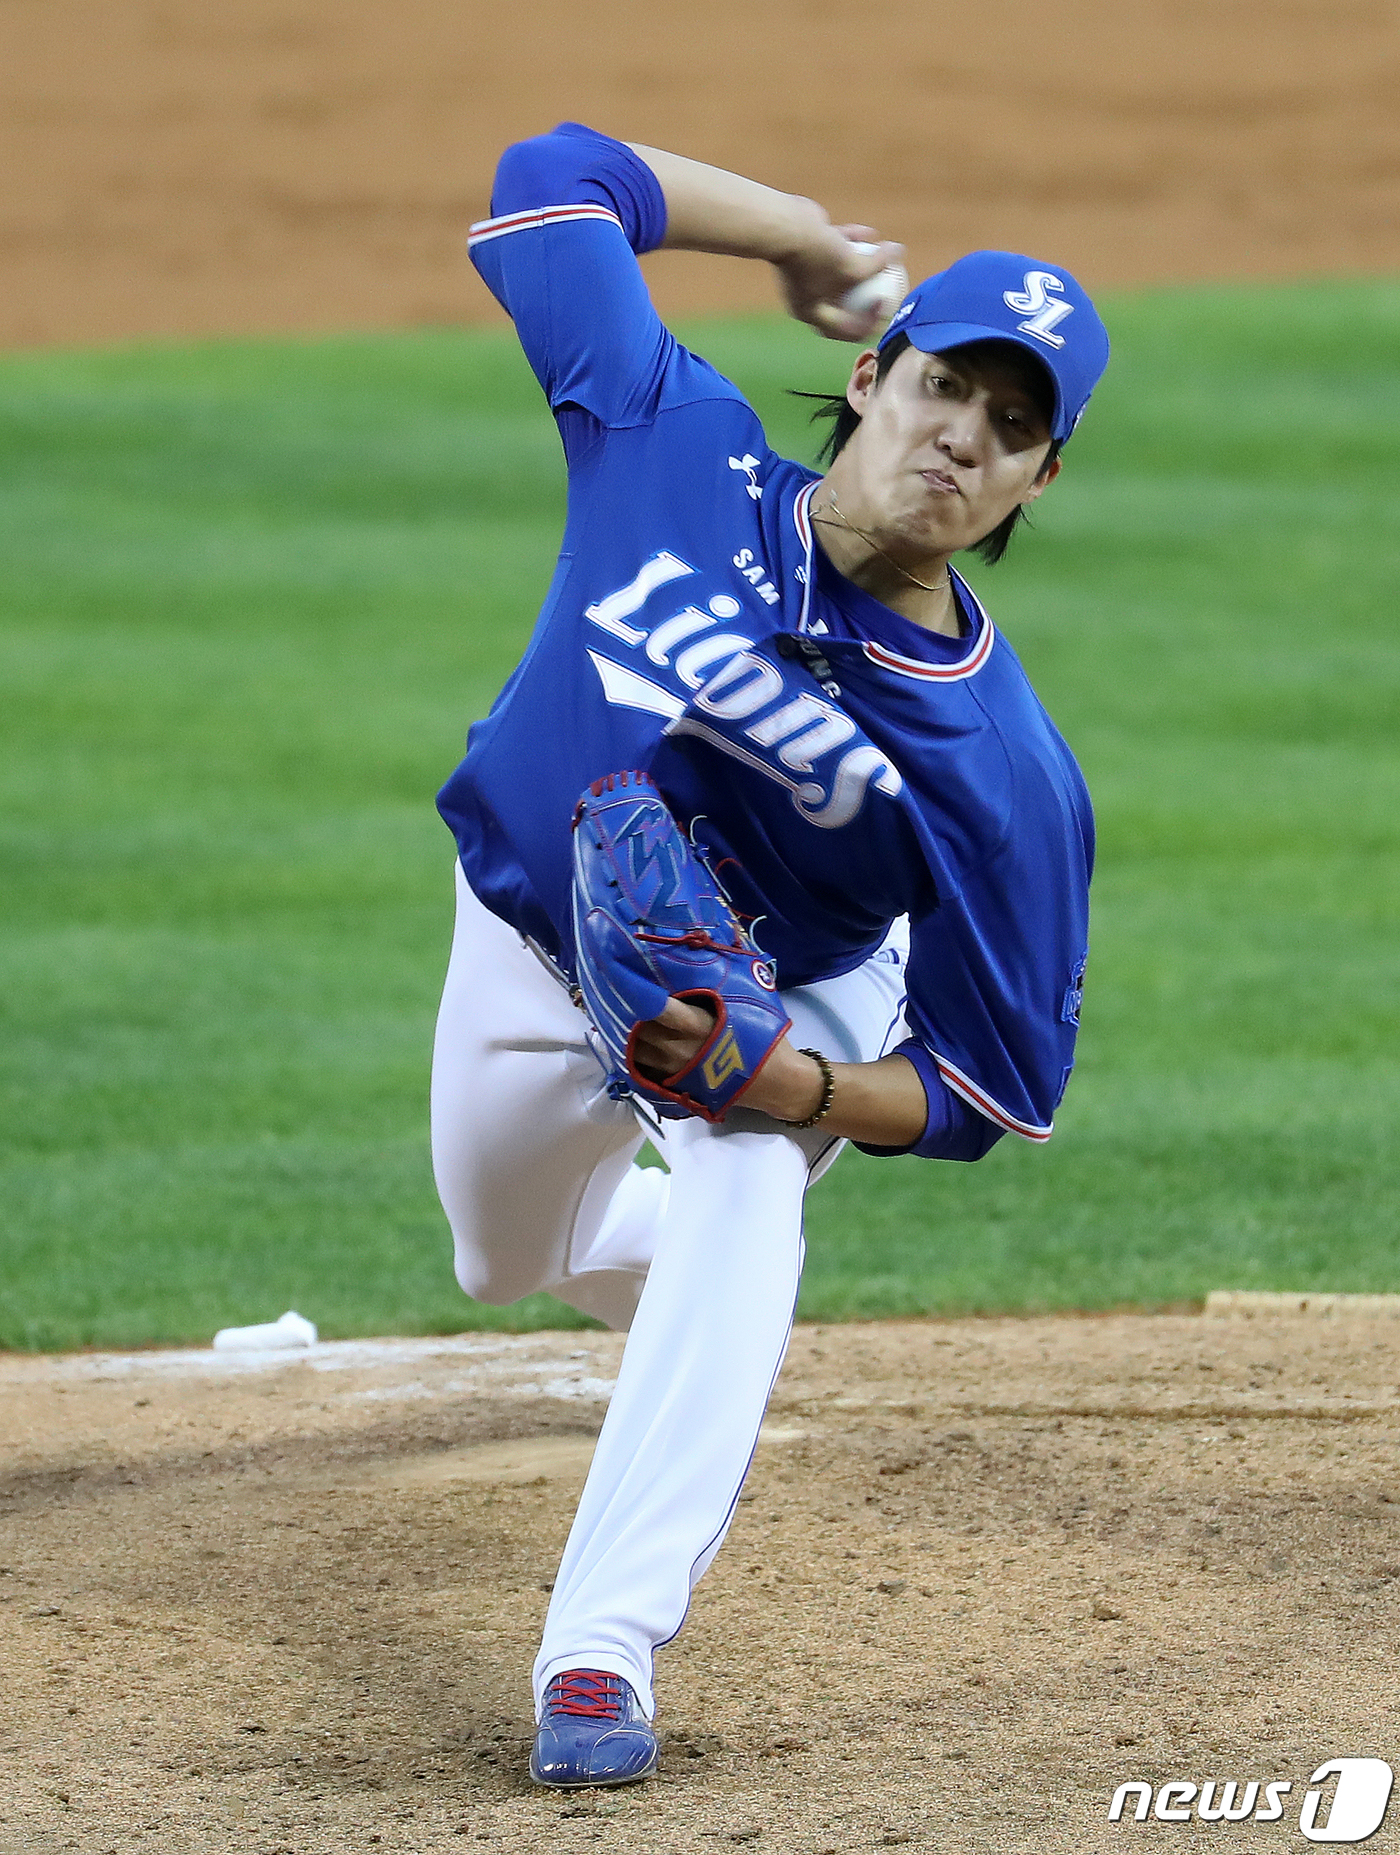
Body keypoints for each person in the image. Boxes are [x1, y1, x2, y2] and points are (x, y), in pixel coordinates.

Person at [431, 121, 1110, 1789]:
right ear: (875, 376)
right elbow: (555, 173)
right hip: (528, 944)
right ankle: (703, 1294)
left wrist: (794, 1081)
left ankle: (599, 1650)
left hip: (780, 993)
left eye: (1014, 428)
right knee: (510, 1266)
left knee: (741, 1171)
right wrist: (795, 234)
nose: (964, 437)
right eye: (949, 385)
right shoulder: (677, 441)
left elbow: (979, 1090)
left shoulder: (1004, 780)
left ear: (1037, 483)